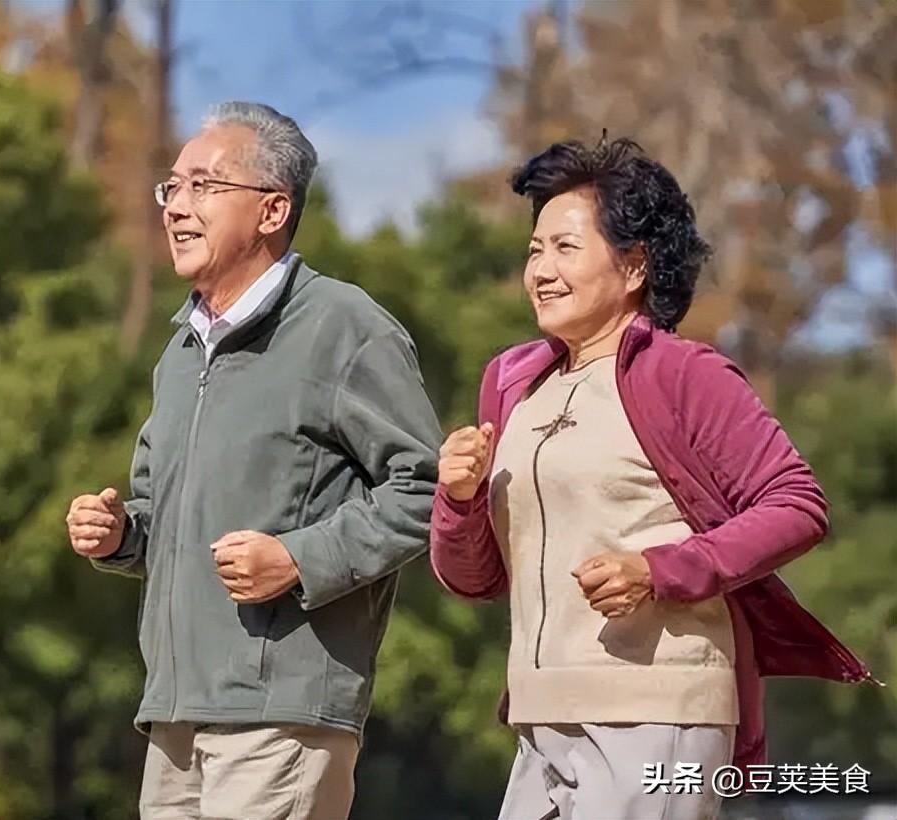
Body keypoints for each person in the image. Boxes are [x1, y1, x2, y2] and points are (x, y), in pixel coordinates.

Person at [429, 137, 874, 820]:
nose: (541, 270)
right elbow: (476, 578)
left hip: (658, 711)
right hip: (537, 718)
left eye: (565, 249)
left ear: (634, 264)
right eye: (533, 250)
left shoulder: (684, 374)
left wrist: (659, 569)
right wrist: (458, 501)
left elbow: (797, 504)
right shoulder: (512, 383)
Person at [65, 101, 442, 820]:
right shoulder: (178, 352)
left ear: (273, 211)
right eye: (170, 187)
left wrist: (299, 559)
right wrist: (121, 535)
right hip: (174, 714)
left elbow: (425, 491)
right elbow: (161, 516)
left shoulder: (343, 325)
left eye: (203, 185)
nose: (176, 205)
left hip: (284, 715)